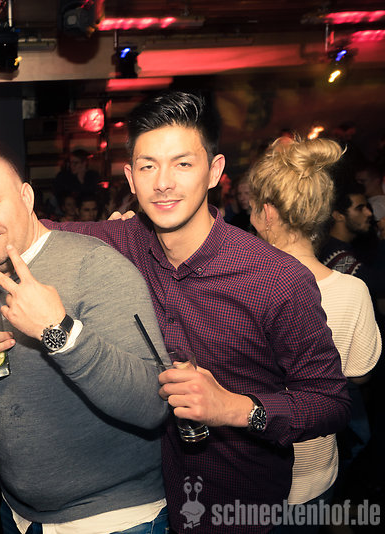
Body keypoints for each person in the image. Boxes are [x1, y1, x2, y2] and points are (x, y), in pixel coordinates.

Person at [45, 91, 350, 533]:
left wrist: (234, 408)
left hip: (245, 511)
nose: (163, 182)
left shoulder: (276, 279)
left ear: (215, 171)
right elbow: (36, 236)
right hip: (156, 504)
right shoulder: (124, 243)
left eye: (182, 164)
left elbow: (330, 401)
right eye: (148, 166)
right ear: (130, 178)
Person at [0, 144, 170, 533]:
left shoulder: (94, 264)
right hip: (19, 516)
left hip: (112, 520)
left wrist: (59, 331)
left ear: (26, 197)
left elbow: (153, 404)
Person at [247, 137, 381, 529]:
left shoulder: (241, 287)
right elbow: (360, 375)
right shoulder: (352, 290)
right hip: (316, 476)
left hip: (250, 475)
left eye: (253, 207)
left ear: (268, 213)